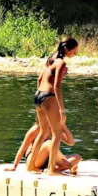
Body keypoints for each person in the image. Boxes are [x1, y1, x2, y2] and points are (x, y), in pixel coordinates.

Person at [30, 36, 79, 174]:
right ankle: (51, 169)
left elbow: (40, 79)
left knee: (42, 131)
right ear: (67, 49)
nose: (74, 54)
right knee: (57, 133)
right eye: (74, 51)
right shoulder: (61, 62)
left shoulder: (49, 60)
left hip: (38, 95)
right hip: (48, 97)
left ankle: (31, 166)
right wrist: (62, 109)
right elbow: (57, 86)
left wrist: (40, 103)